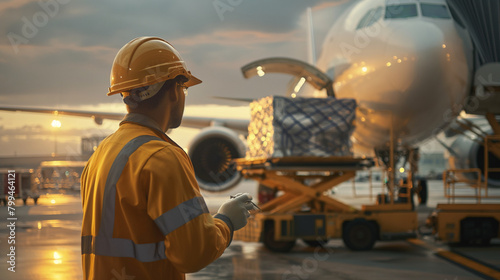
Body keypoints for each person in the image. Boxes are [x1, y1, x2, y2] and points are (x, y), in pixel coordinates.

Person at [81, 37, 254, 280]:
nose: (183, 95)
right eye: (184, 88)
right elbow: (193, 253)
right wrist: (226, 221)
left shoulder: (100, 155)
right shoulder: (162, 157)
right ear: (174, 90)